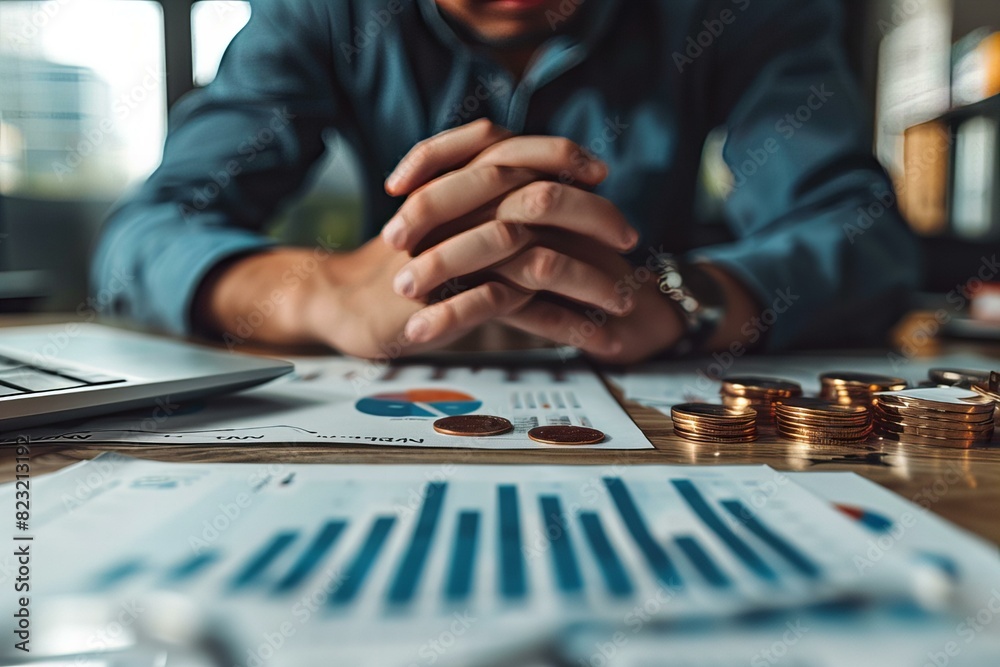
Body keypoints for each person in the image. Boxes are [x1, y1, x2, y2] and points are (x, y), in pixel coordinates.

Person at [92, 0, 920, 364]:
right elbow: (144, 234)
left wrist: (689, 301)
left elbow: (863, 232)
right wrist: (326, 291)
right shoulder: (319, 10)